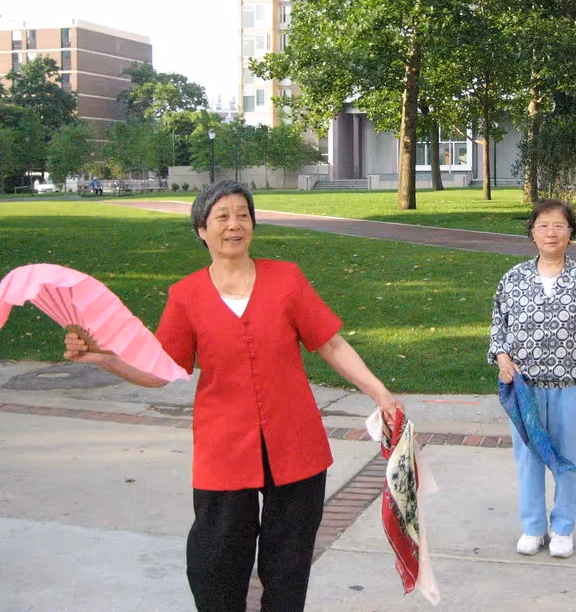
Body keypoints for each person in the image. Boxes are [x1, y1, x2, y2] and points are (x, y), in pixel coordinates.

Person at [64, 180, 402, 611]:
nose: (234, 224)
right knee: (215, 565)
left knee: (288, 566)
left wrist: (380, 393)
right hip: (223, 447)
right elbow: (161, 369)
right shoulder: (185, 296)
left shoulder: (287, 279)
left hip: (295, 444)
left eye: (243, 214)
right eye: (221, 216)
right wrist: (106, 358)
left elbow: (330, 344)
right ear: (201, 230)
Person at [489, 198, 576, 560]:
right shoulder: (513, 278)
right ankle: (533, 528)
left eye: (559, 225)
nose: (551, 232)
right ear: (531, 232)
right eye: (543, 225)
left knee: (569, 458)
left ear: (571, 233)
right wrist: (502, 358)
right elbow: (499, 325)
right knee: (528, 457)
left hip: (572, 383)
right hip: (525, 387)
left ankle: (563, 528)